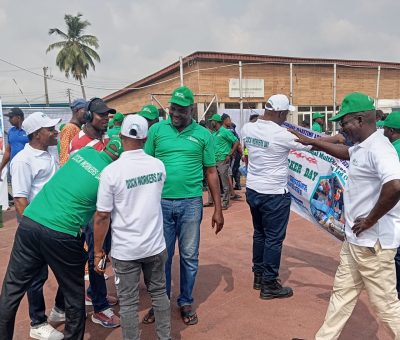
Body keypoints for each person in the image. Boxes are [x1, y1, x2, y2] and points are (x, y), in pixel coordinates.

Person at [291, 92, 400, 339]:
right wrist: (312, 142)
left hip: (373, 245)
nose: (341, 127)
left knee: (386, 307)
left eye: (345, 122)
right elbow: (346, 153)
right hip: (355, 242)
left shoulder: (380, 149)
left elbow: (395, 185)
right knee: (342, 295)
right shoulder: (364, 145)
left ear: (361, 120)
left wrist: (371, 219)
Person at [0, 138, 123, 340]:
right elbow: (102, 216)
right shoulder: (111, 175)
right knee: (74, 295)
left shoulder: (85, 153)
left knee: (11, 290)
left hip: (30, 222)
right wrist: (99, 251)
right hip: (61, 233)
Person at [143, 86, 224, 326]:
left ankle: (186, 301)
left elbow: (210, 172)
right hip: (161, 203)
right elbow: (145, 165)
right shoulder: (156, 130)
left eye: (181, 109)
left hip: (191, 204)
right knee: (161, 257)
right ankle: (161, 302)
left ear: (191, 109)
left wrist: (218, 209)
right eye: (172, 108)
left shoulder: (203, 134)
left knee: (189, 256)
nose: (175, 113)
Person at [94, 115, 171, 340]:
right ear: (145, 138)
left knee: (128, 303)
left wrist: (99, 250)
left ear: (120, 135)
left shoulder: (112, 172)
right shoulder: (158, 165)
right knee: (159, 294)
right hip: (155, 246)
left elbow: (102, 215)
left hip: (125, 250)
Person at [241, 94, 312, 300]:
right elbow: (309, 145)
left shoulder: (248, 128)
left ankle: (259, 276)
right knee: (273, 239)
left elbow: (246, 149)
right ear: (280, 112)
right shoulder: (282, 135)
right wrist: (335, 139)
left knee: (259, 234)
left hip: (253, 189)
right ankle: (269, 284)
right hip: (273, 194)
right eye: (286, 114)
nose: (286, 117)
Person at [10, 112, 64, 340]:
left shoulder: (51, 152)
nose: (56, 132)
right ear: (36, 134)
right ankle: (38, 323)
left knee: (69, 271)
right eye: (50, 129)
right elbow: (21, 202)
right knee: (37, 277)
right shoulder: (23, 160)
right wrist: (35, 231)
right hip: (38, 228)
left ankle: (60, 310)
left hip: (59, 223)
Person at [69, 97, 120, 328]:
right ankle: (100, 308)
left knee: (103, 253)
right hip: (92, 210)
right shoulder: (80, 144)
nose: (106, 120)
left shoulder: (107, 138)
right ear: (89, 116)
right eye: (101, 116)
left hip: (106, 207)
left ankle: (94, 292)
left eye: (108, 116)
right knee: (96, 255)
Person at [382, 111, 400, 297]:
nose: (383, 130)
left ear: (392, 130)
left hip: (395, 208)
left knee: (395, 251)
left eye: (385, 127)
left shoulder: (393, 150)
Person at [205, 114, 239, 210]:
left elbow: (236, 141)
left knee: (224, 182)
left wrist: (230, 154)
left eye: (212, 121)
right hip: (213, 160)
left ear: (216, 122)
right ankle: (211, 200)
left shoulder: (225, 131)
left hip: (223, 159)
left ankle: (225, 202)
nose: (211, 122)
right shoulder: (214, 133)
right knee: (211, 181)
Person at [0, 107, 28, 181]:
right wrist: (0, 168)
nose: (9, 120)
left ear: (18, 117)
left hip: (27, 168)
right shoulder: (11, 131)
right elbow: (8, 151)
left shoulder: (29, 130)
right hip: (14, 168)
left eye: (11, 117)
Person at [59, 98, 87, 165]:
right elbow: (65, 156)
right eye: (85, 110)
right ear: (76, 110)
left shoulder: (77, 128)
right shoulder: (70, 128)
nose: (87, 114)